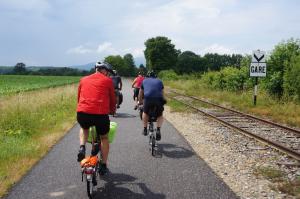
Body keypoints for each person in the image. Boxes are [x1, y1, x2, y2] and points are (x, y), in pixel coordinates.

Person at [76, 61, 116, 175]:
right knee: (104, 137)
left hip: (83, 113)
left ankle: (82, 147)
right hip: (100, 115)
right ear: (104, 70)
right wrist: (112, 111)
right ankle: (103, 165)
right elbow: (113, 100)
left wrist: (82, 109)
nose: (108, 75)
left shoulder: (83, 79)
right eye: (108, 72)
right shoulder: (108, 81)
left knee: (84, 128)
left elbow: (79, 97)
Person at [138, 70, 166, 141]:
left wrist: (140, 102)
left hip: (148, 99)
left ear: (147, 76)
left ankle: (145, 129)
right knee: (160, 114)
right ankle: (158, 129)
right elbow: (162, 93)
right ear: (155, 76)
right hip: (158, 99)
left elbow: (140, 93)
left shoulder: (144, 81)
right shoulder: (159, 81)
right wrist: (163, 101)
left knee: (145, 112)